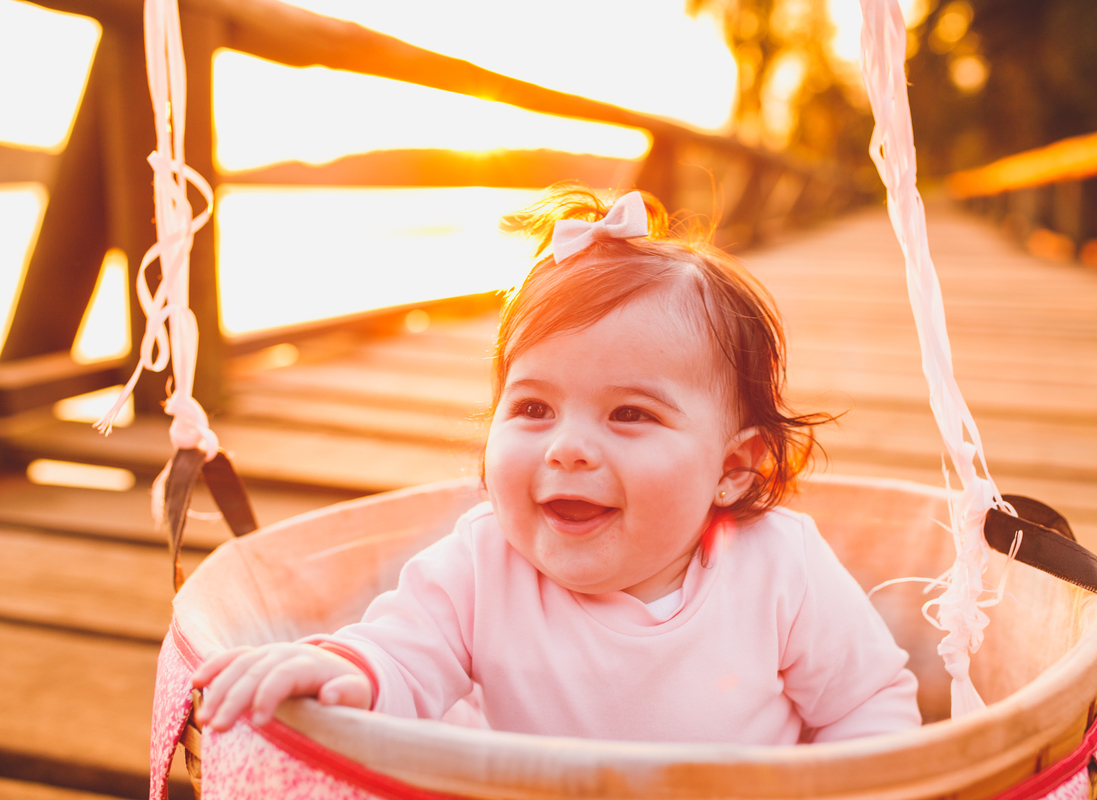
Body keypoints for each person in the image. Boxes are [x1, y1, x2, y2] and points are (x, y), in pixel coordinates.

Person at [192, 184, 922, 744]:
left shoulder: (778, 569)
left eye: (630, 414)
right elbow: (404, 653)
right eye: (533, 410)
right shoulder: (483, 564)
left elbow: (868, 703)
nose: (565, 447)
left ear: (732, 468)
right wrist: (350, 669)